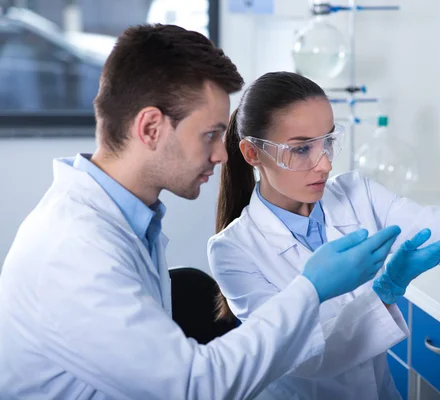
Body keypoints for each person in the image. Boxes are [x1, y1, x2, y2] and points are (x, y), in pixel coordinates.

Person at [0, 25, 409, 400]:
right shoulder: (76, 249)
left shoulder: (130, 221)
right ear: (150, 129)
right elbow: (194, 387)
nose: (221, 154)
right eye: (211, 135)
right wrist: (310, 289)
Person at [208, 71, 440, 399]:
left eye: (327, 141)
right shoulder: (233, 250)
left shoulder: (356, 193)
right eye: (301, 149)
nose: (324, 164)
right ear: (253, 153)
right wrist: (385, 291)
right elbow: (305, 358)